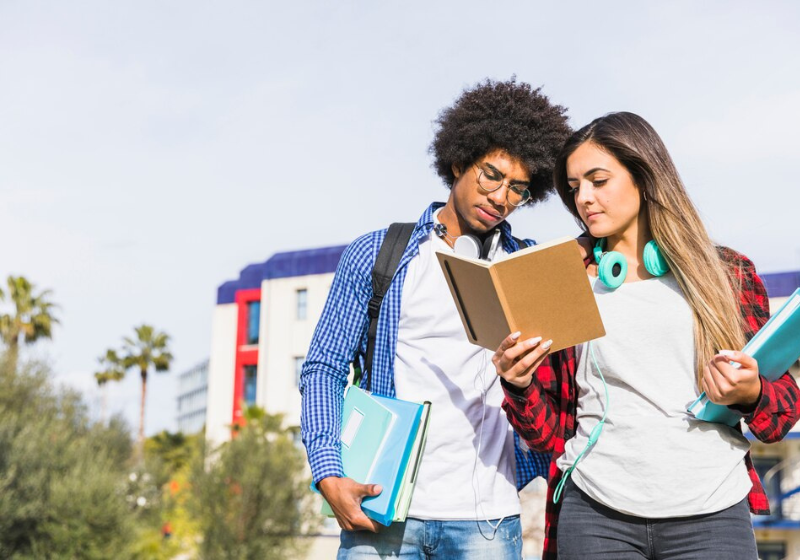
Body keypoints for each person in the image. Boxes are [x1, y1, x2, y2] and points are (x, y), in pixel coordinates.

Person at [493, 111, 800, 560]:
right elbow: (546, 434)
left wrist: (752, 392)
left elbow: (779, 417)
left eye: (598, 180)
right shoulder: (563, 280)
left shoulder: (727, 274)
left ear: (643, 176)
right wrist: (518, 384)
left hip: (713, 509)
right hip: (595, 513)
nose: (585, 199)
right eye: (575, 188)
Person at [299, 78, 572, 559]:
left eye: (518, 189)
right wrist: (328, 472)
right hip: (380, 511)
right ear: (458, 161)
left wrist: (527, 459)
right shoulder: (379, 254)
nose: (502, 197)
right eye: (491, 175)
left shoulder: (528, 271)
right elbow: (322, 367)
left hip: (488, 521)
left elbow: (563, 391)